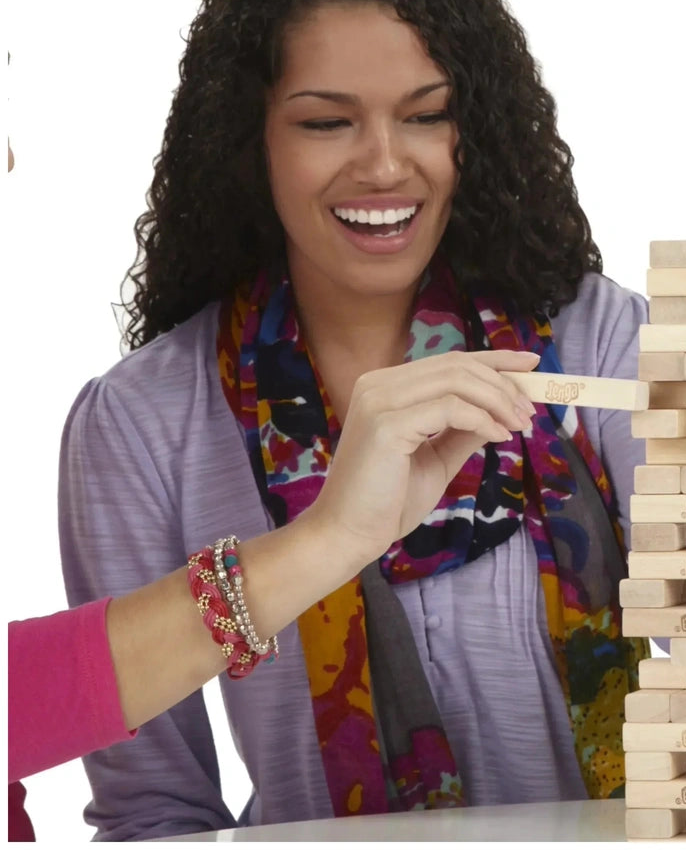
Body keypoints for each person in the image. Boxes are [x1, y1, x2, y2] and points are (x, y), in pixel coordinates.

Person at [56, 0, 686, 841]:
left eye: (428, 115)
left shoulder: (594, 338)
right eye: (325, 123)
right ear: (246, 141)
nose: (386, 165)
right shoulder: (139, 425)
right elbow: (151, 810)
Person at [6, 144, 538, 841]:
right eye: (325, 124)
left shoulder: (604, 332)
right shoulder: (141, 411)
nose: (12, 153)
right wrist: (331, 540)